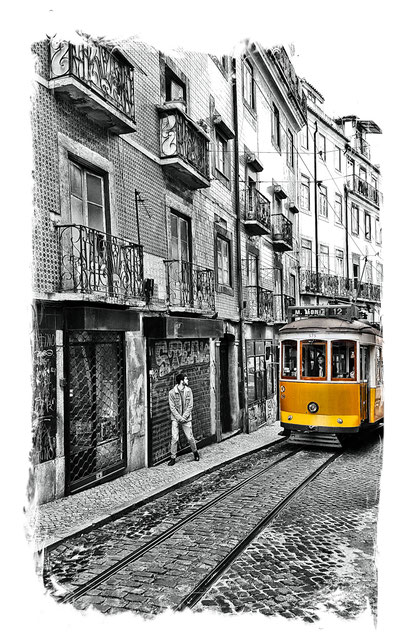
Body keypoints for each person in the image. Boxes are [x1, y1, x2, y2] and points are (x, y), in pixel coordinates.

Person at [168, 373, 199, 466]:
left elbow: (190, 405)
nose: (187, 381)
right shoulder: (172, 392)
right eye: (186, 379)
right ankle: (173, 457)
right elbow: (172, 407)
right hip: (176, 418)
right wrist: (179, 418)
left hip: (186, 418)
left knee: (190, 437)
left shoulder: (189, 391)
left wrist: (184, 417)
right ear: (181, 381)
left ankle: (195, 453)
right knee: (174, 438)